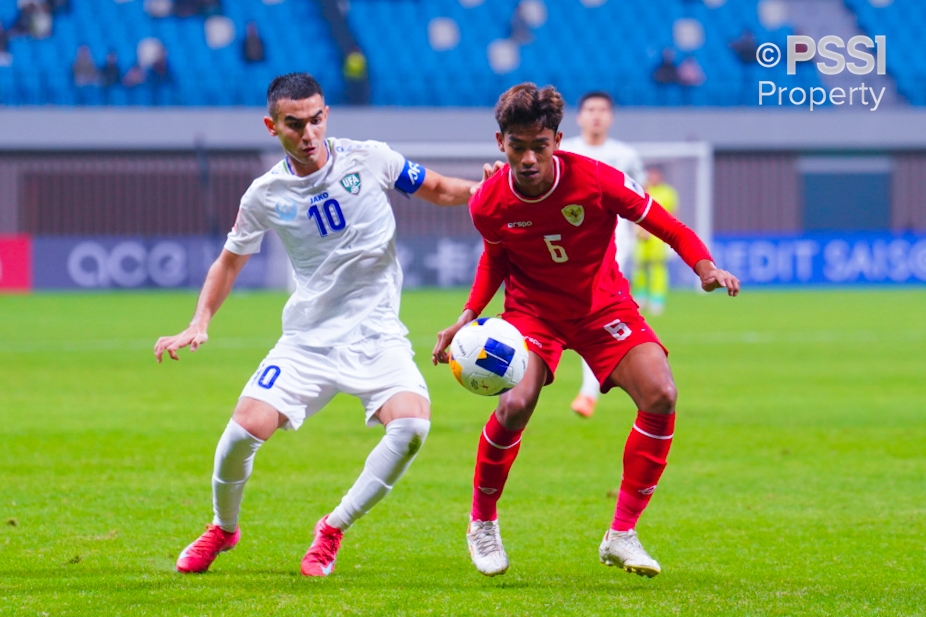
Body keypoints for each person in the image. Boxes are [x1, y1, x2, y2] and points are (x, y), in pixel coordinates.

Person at [155, 72, 485, 577]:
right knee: (242, 433)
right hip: (308, 340)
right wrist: (198, 321)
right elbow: (227, 262)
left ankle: (332, 528)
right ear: (272, 126)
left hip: (376, 335)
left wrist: (489, 190)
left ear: (326, 114)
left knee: (413, 425)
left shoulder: (369, 158)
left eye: (316, 120)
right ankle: (223, 529)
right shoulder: (265, 194)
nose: (308, 134)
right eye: (294, 124)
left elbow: (439, 189)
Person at [432, 83, 739, 579]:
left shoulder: (597, 179)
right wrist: (468, 316)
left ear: (557, 140)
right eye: (517, 147)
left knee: (661, 393)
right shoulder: (488, 201)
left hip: (602, 306)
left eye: (540, 145)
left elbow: (670, 226)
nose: (529, 158)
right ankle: (482, 523)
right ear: (500, 143)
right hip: (533, 314)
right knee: (513, 404)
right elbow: (494, 259)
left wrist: (704, 267)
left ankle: (622, 534)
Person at [559, 90, 645, 419]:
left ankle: (588, 391)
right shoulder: (566, 152)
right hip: (569, 243)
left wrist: (642, 227)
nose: (596, 115)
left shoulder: (625, 155)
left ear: (610, 117)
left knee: (591, 309)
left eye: (602, 110)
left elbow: (639, 198)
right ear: (579, 117)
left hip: (615, 240)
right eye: (590, 109)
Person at [633, 166, 679, 315]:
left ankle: (657, 300)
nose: (652, 177)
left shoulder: (668, 192)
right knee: (639, 267)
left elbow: (672, 214)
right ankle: (640, 298)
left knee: (658, 268)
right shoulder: (643, 189)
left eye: (655, 174)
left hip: (659, 236)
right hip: (642, 235)